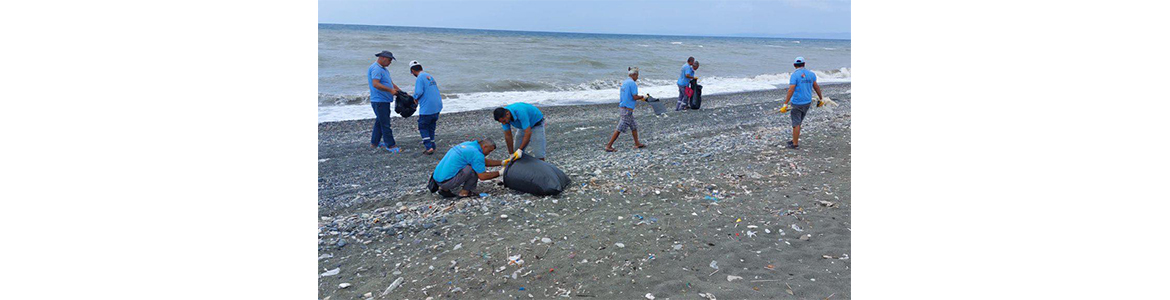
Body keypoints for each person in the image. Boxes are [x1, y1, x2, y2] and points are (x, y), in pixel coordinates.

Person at [430, 139, 518, 197]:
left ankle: (444, 189)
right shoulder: (476, 154)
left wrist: (502, 162)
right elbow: (482, 176)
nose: (489, 153)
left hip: (437, 179)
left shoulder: (467, 145)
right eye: (489, 151)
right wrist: (501, 172)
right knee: (472, 169)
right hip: (446, 182)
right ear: (485, 146)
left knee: (470, 165)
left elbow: (482, 161)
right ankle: (464, 192)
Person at [781, 57, 823, 149]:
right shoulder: (811, 74)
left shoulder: (794, 75)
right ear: (804, 64)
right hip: (807, 102)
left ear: (794, 65)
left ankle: (795, 144)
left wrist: (785, 104)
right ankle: (794, 139)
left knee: (796, 123)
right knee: (799, 122)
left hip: (797, 102)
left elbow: (791, 89)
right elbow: (816, 87)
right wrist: (821, 98)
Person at [605, 67, 648, 152]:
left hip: (623, 106)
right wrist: (643, 97)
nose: (637, 78)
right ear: (634, 75)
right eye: (637, 75)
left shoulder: (625, 82)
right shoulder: (632, 84)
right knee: (620, 128)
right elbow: (634, 96)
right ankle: (609, 145)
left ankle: (637, 143)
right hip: (627, 109)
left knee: (633, 126)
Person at [368, 51, 402, 153]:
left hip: (384, 100)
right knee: (385, 124)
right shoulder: (376, 68)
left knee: (380, 122)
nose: (390, 62)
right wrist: (390, 91)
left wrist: (400, 92)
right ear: (382, 58)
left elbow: (390, 83)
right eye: (389, 60)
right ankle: (390, 145)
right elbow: (376, 84)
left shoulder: (384, 70)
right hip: (379, 100)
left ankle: (375, 143)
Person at [409, 60, 443, 155]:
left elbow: (419, 92)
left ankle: (428, 147)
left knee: (423, 127)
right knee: (431, 127)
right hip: (437, 106)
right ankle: (433, 145)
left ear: (412, 71)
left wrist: (414, 99)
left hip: (427, 108)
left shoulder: (420, 78)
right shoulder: (429, 76)